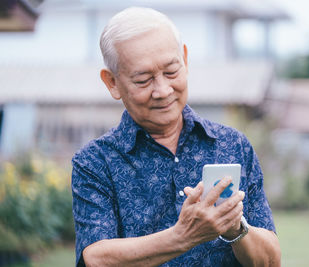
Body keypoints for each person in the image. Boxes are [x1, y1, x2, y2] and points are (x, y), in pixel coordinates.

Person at [71, 6, 281, 267]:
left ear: (185, 59)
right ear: (112, 82)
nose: (162, 90)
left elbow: (271, 261)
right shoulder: (94, 163)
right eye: (143, 80)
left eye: (171, 71)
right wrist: (183, 236)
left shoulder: (232, 145)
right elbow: (97, 258)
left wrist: (235, 229)